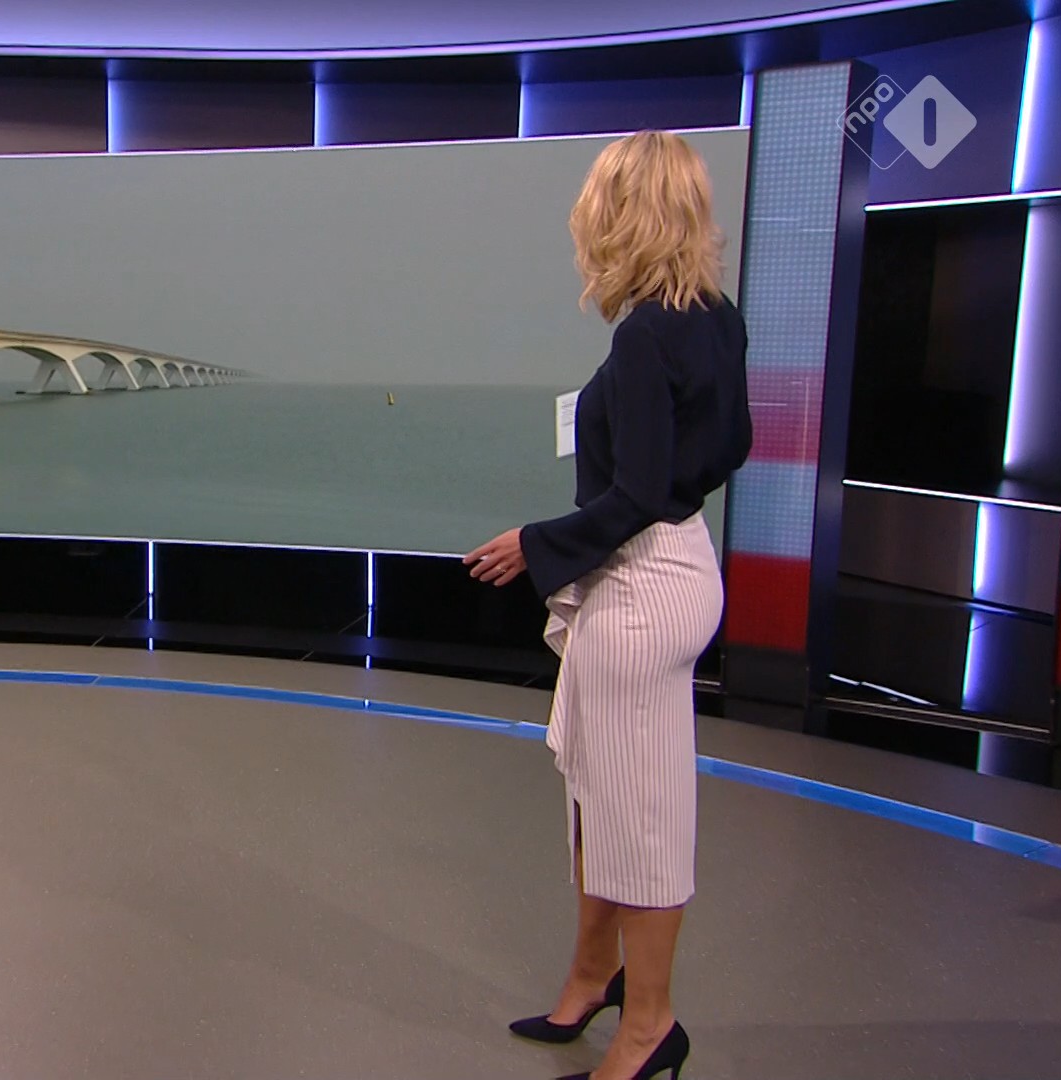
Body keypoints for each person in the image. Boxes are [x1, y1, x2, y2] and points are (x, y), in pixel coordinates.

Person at [463, 130, 752, 1080]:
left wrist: (533, 545)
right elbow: (732, 445)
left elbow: (635, 495)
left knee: (639, 816)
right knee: (600, 791)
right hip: (684, 563)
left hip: (640, 581)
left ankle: (650, 1025)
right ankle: (594, 976)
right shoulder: (716, 317)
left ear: (620, 217)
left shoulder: (644, 336)